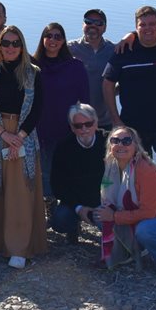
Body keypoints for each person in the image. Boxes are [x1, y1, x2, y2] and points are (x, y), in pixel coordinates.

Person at [102, 6, 156, 208]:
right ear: (136, 27)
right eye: (142, 25)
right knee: (135, 174)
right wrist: (115, 119)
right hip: (134, 128)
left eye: (152, 24)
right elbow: (106, 83)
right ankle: (139, 216)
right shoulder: (124, 51)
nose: (148, 29)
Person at [0, 25, 47, 268]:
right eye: (5, 43)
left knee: (20, 192)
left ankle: (19, 247)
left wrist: (19, 135)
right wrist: (3, 134)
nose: (10, 47)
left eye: (15, 43)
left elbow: (37, 108)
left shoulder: (33, 73)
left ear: (22, 46)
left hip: (24, 134)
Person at [96, 126, 156, 275]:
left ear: (136, 145)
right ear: (110, 145)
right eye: (115, 140)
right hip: (144, 218)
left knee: (145, 230)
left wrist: (114, 216)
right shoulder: (111, 166)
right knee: (100, 215)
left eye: (126, 141)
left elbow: (148, 212)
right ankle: (133, 250)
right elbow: (108, 200)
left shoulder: (145, 170)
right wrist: (108, 214)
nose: (121, 145)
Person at [33, 22, 89, 196]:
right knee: (46, 173)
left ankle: (71, 210)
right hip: (41, 129)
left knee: (70, 172)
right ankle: (49, 207)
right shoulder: (33, 66)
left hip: (68, 130)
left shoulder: (75, 66)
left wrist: (84, 128)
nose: (53, 40)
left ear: (64, 41)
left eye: (58, 36)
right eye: (49, 36)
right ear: (42, 39)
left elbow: (85, 100)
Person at [48, 104, 106, 243]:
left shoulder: (110, 142)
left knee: (112, 227)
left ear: (96, 123)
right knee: (60, 221)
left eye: (88, 124)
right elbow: (57, 184)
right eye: (78, 126)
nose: (84, 129)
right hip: (75, 201)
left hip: (105, 200)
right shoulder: (63, 147)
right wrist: (78, 208)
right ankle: (73, 227)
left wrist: (107, 206)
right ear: (72, 127)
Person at [68, 8, 115, 131]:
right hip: (76, 121)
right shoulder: (69, 48)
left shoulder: (114, 51)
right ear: (83, 24)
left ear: (104, 28)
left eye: (98, 23)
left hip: (105, 121)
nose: (93, 25)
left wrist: (113, 90)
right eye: (88, 22)